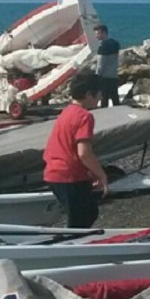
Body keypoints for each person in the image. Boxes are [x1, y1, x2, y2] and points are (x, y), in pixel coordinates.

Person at [42, 72, 109, 228]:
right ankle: (70, 247)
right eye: (99, 94)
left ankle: (73, 243)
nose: (100, 98)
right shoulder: (84, 116)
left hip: (55, 172)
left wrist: (89, 172)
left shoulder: (66, 112)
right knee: (81, 220)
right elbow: (84, 152)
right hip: (67, 176)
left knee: (89, 212)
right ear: (89, 94)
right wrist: (102, 175)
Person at [93, 24, 121, 107]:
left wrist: (97, 76)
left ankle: (105, 116)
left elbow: (101, 64)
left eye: (98, 33)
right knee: (115, 97)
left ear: (104, 33)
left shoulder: (103, 46)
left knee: (104, 98)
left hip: (104, 77)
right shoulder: (115, 44)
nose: (96, 36)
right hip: (113, 75)